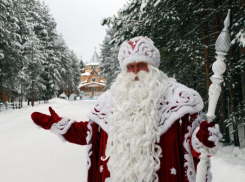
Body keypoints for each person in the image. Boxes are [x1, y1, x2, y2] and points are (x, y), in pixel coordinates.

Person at [31, 36, 222, 182]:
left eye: (141, 64)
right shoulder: (110, 101)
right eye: (130, 66)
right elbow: (90, 133)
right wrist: (56, 124)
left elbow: (196, 148)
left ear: (153, 67)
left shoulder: (180, 102)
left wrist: (203, 140)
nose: (136, 70)